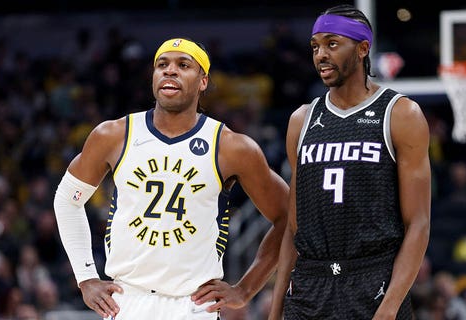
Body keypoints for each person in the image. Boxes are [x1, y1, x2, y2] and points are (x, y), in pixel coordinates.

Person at [53, 37, 289, 319]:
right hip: (126, 301)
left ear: (203, 81)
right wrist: (86, 277)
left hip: (193, 305)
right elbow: (68, 200)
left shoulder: (232, 147)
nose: (170, 70)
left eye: (183, 65)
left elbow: (288, 216)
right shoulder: (114, 135)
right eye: (161, 64)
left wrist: (246, 289)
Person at [269, 4, 431, 319]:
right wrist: (276, 310)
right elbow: (293, 227)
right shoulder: (301, 120)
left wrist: (390, 307)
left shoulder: (400, 114)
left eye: (332, 44)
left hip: (373, 279)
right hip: (310, 284)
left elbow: (419, 223)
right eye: (315, 46)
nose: (320, 55)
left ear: (362, 49)